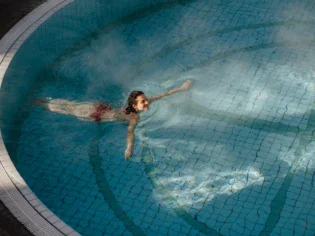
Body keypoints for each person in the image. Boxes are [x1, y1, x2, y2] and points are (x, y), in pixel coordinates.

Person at [36, 80, 192, 159]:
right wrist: (129, 148)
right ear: (134, 104)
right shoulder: (134, 116)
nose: (146, 102)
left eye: (145, 99)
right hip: (96, 116)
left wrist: (181, 88)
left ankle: (43, 100)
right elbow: (130, 132)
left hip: (100, 107)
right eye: (143, 101)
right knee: (69, 110)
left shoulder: (142, 104)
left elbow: (163, 94)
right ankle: (43, 104)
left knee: (72, 106)